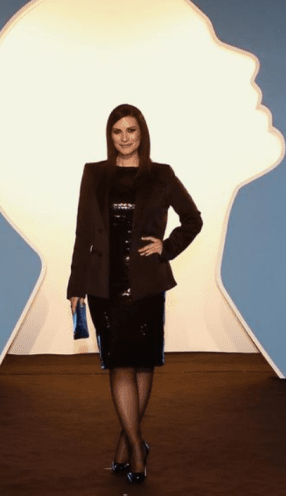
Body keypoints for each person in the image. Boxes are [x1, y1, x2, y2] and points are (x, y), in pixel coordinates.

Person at [67, 103, 202, 484]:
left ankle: (127, 443)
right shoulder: (94, 174)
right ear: (109, 136)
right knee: (119, 364)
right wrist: (76, 285)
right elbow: (82, 232)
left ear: (142, 133)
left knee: (142, 364)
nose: (124, 138)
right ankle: (138, 448)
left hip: (146, 286)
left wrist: (166, 247)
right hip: (104, 286)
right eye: (117, 131)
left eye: (131, 130)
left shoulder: (161, 175)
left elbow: (193, 219)